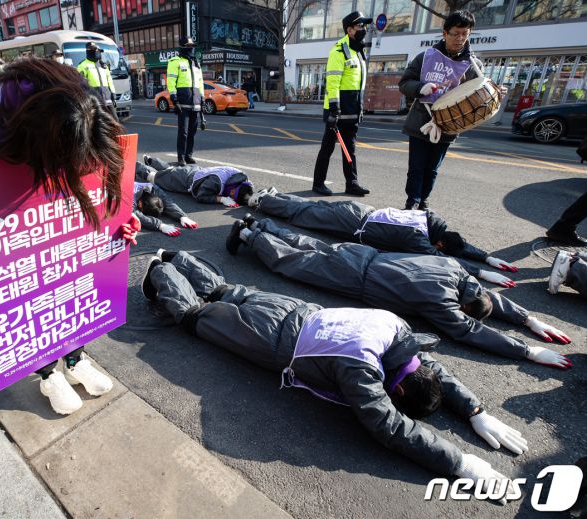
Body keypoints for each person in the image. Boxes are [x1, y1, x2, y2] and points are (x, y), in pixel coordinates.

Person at [141, 250, 526, 490]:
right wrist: (460, 463)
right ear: (400, 392)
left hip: (299, 310)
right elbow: (390, 427)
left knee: (228, 291)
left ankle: (179, 258)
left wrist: (475, 411)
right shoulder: (360, 371)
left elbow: (432, 367)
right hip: (272, 341)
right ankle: (160, 269)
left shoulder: (400, 332)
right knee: (197, 316)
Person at [0, 58, 140, 415]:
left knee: (71, 284)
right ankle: (46, 371)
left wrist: (119, 217)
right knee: (29, 294)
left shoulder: (80, 100)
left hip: (53, 221)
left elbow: (102, 171)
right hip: (4, 222)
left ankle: (74, 360)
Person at [226, 216, 572, 367]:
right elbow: (470, 332)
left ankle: (259, 225)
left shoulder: (454, 269)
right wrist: (526, 351)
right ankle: (248, 237)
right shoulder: (442, 304)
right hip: (353, 279)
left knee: (311, 245)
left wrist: (527, 319)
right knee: (294, 263)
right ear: (462, 307)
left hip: (363, 254)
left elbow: (486, 298)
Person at [247, 188, 518, 275]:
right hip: (351, 223)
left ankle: (273, 195)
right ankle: (262, 201)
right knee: (303, 215)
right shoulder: (417, 239)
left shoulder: (430, 220)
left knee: (311, 207)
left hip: (359, 211)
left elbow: (458, 244)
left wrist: (487, 257)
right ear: (439, 245)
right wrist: (481, 271)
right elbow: (447, 261)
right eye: (438, 248)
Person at [399, 11, 494, 210]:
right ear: (445, 33)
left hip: (450, 124)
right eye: (455, 33)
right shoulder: (425, 57)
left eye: (465, 34)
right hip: (421, 122)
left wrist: (491, 91)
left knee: (432, 169)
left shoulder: (473, 65)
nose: (460, 39)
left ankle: (423, 202)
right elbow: (404, 82)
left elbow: (476, 94)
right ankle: (412, 203)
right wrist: (419, 88)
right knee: (416, 168)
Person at [312, 11, 372, 197]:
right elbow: (333, 82)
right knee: (327, 148)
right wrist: (334, 110)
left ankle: (352, 184)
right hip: (337, 113)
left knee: (350, 150)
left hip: (352, 112)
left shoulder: (359, 51)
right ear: (349, 29)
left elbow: (357, 84)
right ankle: (318, 183)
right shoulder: (339, 50)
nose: (363, 29)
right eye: (359, 26)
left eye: (364, 26)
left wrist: (360, 108)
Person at [137, 154, 253, 207]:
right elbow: (200, 196)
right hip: (185, 179)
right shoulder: (216, 182)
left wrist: (249, 199)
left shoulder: (240, 175)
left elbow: (248, 186)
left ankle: (152, 160)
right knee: (154, 177)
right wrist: (221, 199)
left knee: (170, 169)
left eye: (234, 195)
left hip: (196, 170)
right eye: (233, 192)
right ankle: (134, 165)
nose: (232, 194)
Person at [133, 163, 199, 236]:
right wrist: (160, 225)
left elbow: (167, 201)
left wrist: (182, 216)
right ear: (140, 204)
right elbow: (137, 215)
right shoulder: (129, 198)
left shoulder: (152, 188)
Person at [167, 37, 204, 166]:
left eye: (192, 46)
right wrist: (174, 100)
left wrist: (202, 98)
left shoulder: (196, 63)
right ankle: (181, 156)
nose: (191, 48)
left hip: (195, 102)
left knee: (192, 132)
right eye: (189, 46)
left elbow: (200, 82)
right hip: (183, 103)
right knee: (183, 132)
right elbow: (171, 82)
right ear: (183, 47)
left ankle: (189, 155)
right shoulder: (175, 62)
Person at [76, 42, 117, 119]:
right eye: (96, 51)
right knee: (98, 123)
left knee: (115, 119)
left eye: (99, 51)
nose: (98, 53)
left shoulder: (103, 66)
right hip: (93, 100)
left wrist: (113, 93)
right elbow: (80, 84)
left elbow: (109, 80)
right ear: (89, 52)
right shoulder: (82, 65)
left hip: (107, 97)